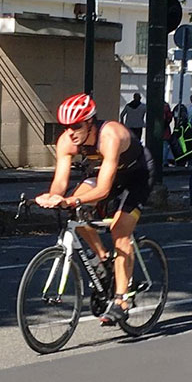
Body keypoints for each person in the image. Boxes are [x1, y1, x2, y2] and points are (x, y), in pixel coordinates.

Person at [36, 93, 155, 325]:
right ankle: (103, 259)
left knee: (120, 231)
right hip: (103, 174)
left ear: (89, 122)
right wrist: (53, 197)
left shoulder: (109, 136)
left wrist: (71, 200)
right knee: (74, 213)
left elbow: (102, 190)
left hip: (136, 176)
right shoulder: (66, 141)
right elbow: (60, 182)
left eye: (76, 126)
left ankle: (122, 301)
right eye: (66, 126)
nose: (70, 131)